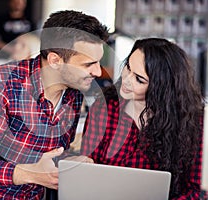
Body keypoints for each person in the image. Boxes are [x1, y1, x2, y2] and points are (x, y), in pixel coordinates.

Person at [0, 10, 109, 199]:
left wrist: (68, 162)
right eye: (88, 64)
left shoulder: (73, 94)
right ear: (55, 61)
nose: (98, 72)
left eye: (98, 62)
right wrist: (28, 174)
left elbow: (44, 155)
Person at [81, 38, 207, 199]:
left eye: (139, 79)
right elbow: (89, 170)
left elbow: (199, 191)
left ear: (161, 88)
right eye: (128, 67)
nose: (126, 80)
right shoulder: (105, 109)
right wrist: (81, 164)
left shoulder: (196, 124)